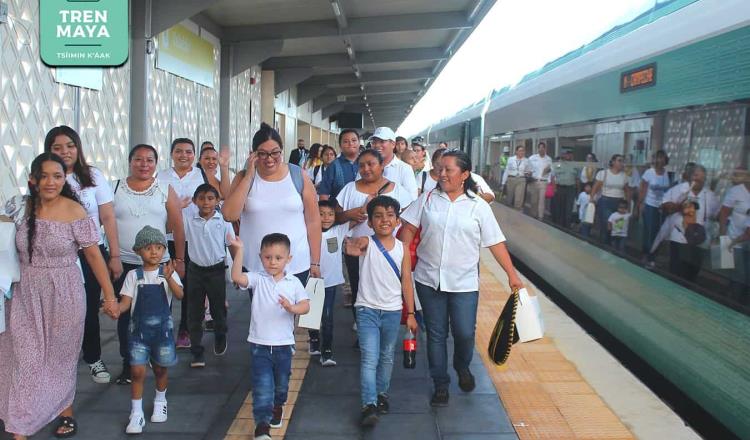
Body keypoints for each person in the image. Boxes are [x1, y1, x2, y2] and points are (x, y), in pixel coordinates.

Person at [0, 153, 118, 439]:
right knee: (26, 359)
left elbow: (93, 255)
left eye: (57, 176)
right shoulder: (18, 206)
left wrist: (110, 295)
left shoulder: (75, 211)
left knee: (59, 360)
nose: (51, 182)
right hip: (24, 292)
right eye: (44, 176)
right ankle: (20, 426)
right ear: (32, 179)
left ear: (64, 178)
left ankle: (63, 412)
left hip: (65, 292)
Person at [399, 150, 524, 407]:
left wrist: (512, 275)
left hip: (464, 283)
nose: (441, 174)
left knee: (465, 333)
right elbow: (409, 228)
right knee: (436, 334)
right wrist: (398, 261)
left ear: (464, 175)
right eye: (440, 169)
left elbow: (495, 242)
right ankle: (441, 383)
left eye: (448, 170)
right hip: (428, 279)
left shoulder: (478, 206)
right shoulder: (428, 199)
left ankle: (462, 367)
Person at [44, 125, 122, 384]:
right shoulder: (47, 176)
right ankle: (56, 360)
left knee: (87, 306)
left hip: (90, 253)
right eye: (57, 147)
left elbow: (108, 217)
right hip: (56, 256)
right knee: (56, 309)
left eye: (70, 146)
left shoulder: (92, 176)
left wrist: (114, 255)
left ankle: (93, 356)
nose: (64, 152)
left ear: (78, 148)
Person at [112, 144, 186, 385]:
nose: (144, 164)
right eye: (138, 159)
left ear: (156, 163)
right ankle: (129, 363)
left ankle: (159, 362)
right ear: (130, 161)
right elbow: (105, 222)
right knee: (127, 316)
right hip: (124, 263)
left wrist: (180, 260)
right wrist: (111, 257)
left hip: (159, 265)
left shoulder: (164, 188)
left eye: (149, 160)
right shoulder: (115, 187)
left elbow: (177, 226)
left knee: (159, 315)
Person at [344, 196, 418, 427]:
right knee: (370, 358)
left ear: (397, 221)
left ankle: (382, 394)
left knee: (386, 356)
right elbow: (353, 248)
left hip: (393, 311)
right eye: (378, 216)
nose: (384, 220)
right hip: (366, 309)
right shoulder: (366, 241)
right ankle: (369, 404)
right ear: (370, 222)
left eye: (389, 215)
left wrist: (411, 314)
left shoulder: (402, 248)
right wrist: (350, 246)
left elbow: (407, 280)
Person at [229, 233, 310, 440]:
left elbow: (306, 305)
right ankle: (262, 426)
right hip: (259, 345)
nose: (272, 262)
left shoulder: (293, 283)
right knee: (262, 385)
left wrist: (292, 307)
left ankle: (278, 405)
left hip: (283, 345)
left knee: (281, 384)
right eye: (267, 257)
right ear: (260, 257)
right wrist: (239, 252)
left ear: (288, 259)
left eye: (278, 258)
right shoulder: (258, 278)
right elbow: (237, 277)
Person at [223, 123, 322, 286]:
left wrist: (315, 262)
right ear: (253, 155)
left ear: (282, 151)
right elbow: (229, 215)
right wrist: (249, 176)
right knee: (260, 311)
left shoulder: (298, 175)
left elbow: (313, 221)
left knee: (295, 310)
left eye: (275, 153)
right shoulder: (243, 178)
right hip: (256, 265)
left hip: (295, 264)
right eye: (263, 154)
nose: (269, 159)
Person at [335, 149, 415, 326]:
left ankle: (386, 325)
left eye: (371, 164)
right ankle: (363, 327)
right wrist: (352, 213)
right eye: (361, 165)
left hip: (389, 251)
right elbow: (337, 217)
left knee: (388, 288)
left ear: (381, 166)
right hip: (357, 250)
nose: (366, 169)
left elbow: (411, 220)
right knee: (359, 288)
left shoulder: (397, 190)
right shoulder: (349, 189)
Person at [116, 226, 182, 434]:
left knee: (161, 368)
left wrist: (170, 277)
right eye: (148, 248)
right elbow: (126, 303)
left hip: (162, 333)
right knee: (137, 371)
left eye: (159, 247)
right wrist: (116, 309)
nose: (154, 252)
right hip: (139, 333)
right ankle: (136, 413)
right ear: (137, 251)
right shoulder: (133, 276)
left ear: (164, 250)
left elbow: (179, 295)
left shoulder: (166, 273)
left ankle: (160, 400)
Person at [157, 138, 205, 349]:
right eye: (178, 151)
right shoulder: (161, 177)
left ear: (194, 155)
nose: (183, 155)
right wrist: (175, 206)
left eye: (188, 151)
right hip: (167, 238)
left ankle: (186, 329)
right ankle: (162, 330)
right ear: (171, 154)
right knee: (164, 284)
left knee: (190, 287)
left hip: (194, 238)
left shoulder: (201, 175)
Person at [184, 184, 237, 368]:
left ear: (217, 201)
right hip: (195, 271)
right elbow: (172, 231)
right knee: (194, 311)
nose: (206, 202)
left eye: (210, 198)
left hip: (216, 270)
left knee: (218, 308)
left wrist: (237, 268)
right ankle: (197, 351)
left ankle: (220, 334)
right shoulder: (189, 220)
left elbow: (232, 245)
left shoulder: (223, 221)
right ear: (194, 201)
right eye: (201, 198)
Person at [310, 199, 351, 365]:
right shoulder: (309, 232)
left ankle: (326, 351)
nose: (326, 218)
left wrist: (367, 203)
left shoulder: (339, 231)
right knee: (311, 316)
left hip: (331, 282)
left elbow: (358, 218)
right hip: (312, 280)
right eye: (321, 214)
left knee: (327, 316)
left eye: (331, 214)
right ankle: (313, 340)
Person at [650, 201, 706, 281]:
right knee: (674, 271)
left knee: (688, 274)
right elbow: (662, 234)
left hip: (691, 250)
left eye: (691, 207)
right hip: (677, 246)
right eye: (687, 207)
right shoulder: (675, 217)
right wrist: (653, 250)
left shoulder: (699, 221)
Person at [718, 167, 749, 296]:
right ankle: (732, 301)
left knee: (743, 274)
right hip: (734, 238)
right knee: (736, 274)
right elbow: (724, 213)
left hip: (746, 239)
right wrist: (723, 236)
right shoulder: (736, 191)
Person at [637, 150, 671, 266]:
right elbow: (643, 188)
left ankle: (654, 255)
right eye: (658, 157)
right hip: (650, 204)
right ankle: (646, 255)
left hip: (662, 207)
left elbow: (668, 191)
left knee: (659, 232)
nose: (660, 160)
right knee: (649, 231)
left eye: (663, 158)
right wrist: (641, 204)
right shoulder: (649, 172)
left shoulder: (667, 173)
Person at [367, 127, 418, 200]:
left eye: (382, 141)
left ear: (393, 144)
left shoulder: (404, 169)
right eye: (374, 142)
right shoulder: (365, 167)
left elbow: (412, 198)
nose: (377, 145)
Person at [591, 154, 631, 245]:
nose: (622, 163)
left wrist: (628, 205)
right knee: (606, 226)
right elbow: (595, 187)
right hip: (605, 201)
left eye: (622, 161)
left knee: (617, 227)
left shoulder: (624, 176)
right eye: (619, 160)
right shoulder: (603, 173)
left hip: (619, 203)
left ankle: (613, 248)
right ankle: (604, 246)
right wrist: (592, 199)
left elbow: (627, 191)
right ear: (613, 162)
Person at [318, 129, 361, 203]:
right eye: (346, 141)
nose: (350, 143)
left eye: (354, 140)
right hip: (339, 212)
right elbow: (324, 194)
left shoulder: (367, 163)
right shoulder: (333, 166)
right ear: (340, 146)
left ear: (359, 143)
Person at [550, 149, 579, 228]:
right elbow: (553, 177)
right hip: (559, 188)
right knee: (559, 209)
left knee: (568, 209)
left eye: (570, 154)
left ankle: (567, 227)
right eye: (566, 154)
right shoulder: (557, 164)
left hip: (571, 189)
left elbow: (577, 179)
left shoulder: (575, 165)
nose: (568, 155)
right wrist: (554, 188)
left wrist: (577, 192)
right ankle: (558, 226)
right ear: (562, 155)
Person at [526, 142, 553, 220]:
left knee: (542, 200)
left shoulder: (549, 159)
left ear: (545, 149)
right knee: (534, 200)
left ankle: (540, 217)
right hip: (534, 181)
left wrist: (549, 180)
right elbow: (527, 169)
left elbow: (551, 170)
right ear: (538, 149)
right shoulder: (532, 158)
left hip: (543, 182)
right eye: (540, 148)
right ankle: (533, 215)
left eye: (543, 148)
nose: (541, 149)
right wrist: (529, 174)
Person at [501, 145, 528, 210]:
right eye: (520, 151)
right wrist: (503, 183)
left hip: (521, 179)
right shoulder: (511, 159)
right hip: (511, 179)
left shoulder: (526, 160)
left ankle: (517, 212)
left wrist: (528, 173)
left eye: (523, 151)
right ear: (516, 152)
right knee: (509, 198)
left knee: (518, 199)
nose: (522, 152)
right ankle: (507, 211)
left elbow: (528, 171)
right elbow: (506, 171)